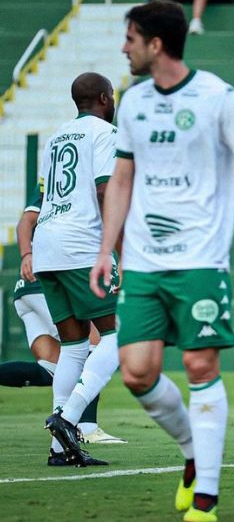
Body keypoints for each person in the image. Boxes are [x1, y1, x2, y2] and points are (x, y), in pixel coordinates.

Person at [90, 0, 234, 522]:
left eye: (131, 38)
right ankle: (193, 453)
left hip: (201, 260)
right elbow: (121, 180)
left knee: (199, 364)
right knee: (137, 374)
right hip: (142, 262)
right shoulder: (134, 103)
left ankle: (206, 492)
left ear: (155, 44)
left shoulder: (218, 98)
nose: (125, 47)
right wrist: (105, 248)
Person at [33, 72, 122, 468]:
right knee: (122, 332)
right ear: (104, 98)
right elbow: (105, 189)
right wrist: (117, 246)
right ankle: (69, 419)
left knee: (74, 344)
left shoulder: (56, 137)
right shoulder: (104, 133)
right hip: (80, 245)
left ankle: (59, 448)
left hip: (46, 244)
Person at [11, 197, 125, 464]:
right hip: (73, 256)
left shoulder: (51, 178)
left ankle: (60, 449)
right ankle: (78, 424)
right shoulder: (99, 162)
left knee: (59, 361)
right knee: (114, 337)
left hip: (40, 270)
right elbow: (106, 191)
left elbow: (27, 220)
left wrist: (27, 254)